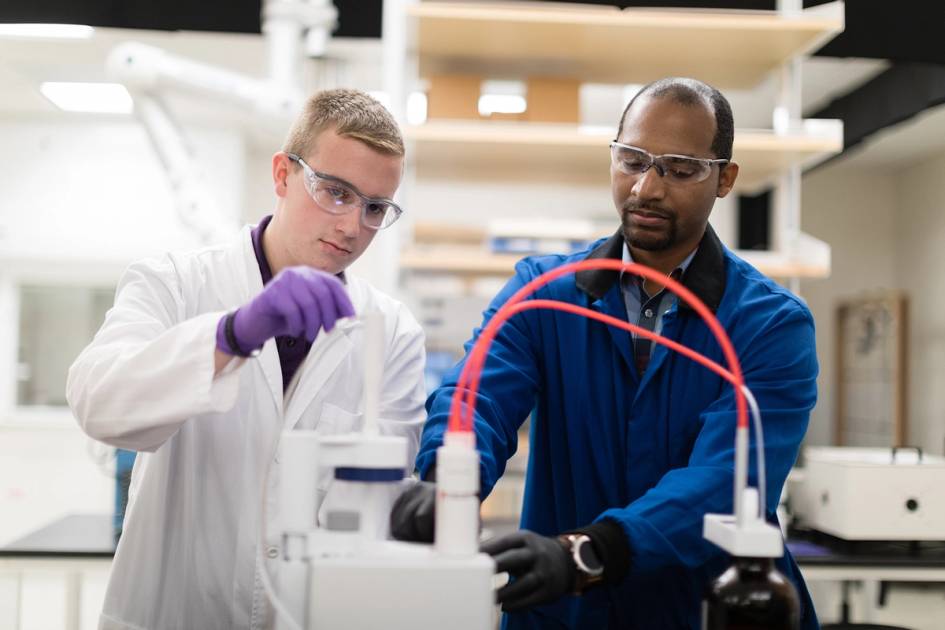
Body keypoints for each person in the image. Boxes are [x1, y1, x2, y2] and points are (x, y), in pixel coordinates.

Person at [391, 77, 819, 629]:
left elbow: (727, 481)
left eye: (680, 169)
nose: (646, 189)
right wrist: (447, 477)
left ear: (724, 179)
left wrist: (595, 550)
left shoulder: (769, 324)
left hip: (707, 608)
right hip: (567, 612)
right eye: (631, 160)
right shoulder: (545, 292)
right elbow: (478, 395)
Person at [67, 88, 427, 630]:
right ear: (282, 174)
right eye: (334, 192)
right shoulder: (174, 283)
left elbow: (376, 507)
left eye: (375, 208)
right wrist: (230, 335)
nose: (353, 226)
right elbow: (100, 404)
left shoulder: (391, 332)